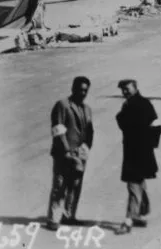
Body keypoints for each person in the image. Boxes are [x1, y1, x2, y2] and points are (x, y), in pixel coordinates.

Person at [115, 80, 161, 235]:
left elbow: (156, 125)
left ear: (135, 88)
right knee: (138, 182)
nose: (125, 92)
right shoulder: (129, 104)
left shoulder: (142, 104)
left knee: (133, 184)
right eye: (123, 90)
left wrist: (149, 144)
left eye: (127, 89)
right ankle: (139, 214)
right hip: (134, 151)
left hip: (138, 152)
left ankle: (128, 221)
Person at [47, 76, 94, 230]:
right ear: (73, 88)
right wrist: (66, 151)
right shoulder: (63, 105)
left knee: (75, 186)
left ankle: (69, 216)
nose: (83, 93)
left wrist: (86, 147)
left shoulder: (87, 109)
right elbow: (58, 130)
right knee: (60, 185)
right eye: (80, 90)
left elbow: (90, 131)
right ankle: (54, 219)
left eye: (85, 90)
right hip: (64, 153)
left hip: (80, 154)